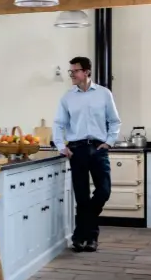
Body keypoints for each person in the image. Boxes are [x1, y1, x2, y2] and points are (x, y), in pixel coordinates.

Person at [52, 56, 121, 252]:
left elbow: (115, 121)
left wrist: (109, 142)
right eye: (70, 71)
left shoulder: (104, 94)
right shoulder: (67, 97)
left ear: (87, 72)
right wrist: (60, 146)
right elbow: (58, 124)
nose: (71, 74)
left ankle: (80, 233)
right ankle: (90, 238)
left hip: (99, 149)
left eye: (75, 71)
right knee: (82, 197)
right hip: (77, 150)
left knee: (104, 191)